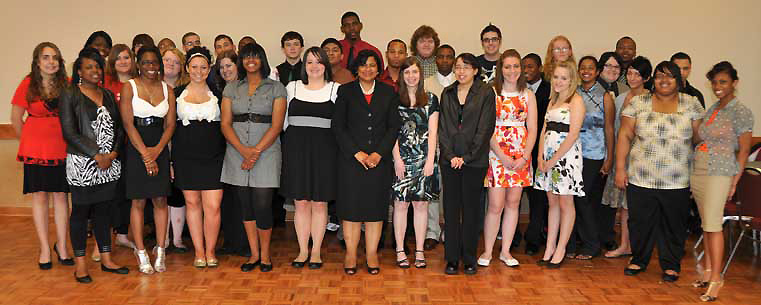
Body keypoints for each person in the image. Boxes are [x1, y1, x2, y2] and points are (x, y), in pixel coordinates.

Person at [615, 61, 704, 282]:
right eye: (659, 76)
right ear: (653, 79)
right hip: (641, 176)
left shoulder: (691, 104)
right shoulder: (638, 102)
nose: (664, 80)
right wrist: (619, 168)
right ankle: (638, 260)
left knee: (674, 224)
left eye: (670, 76)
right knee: (639, 222)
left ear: (679, 80)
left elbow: (700, 140)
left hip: (677, 179)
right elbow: (625, 135)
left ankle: (671, 265)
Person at [60, 47, 130, 283]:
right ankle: (80, 265)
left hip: (109, 163)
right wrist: (95, 154)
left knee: (104, 211)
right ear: (79, 70)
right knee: (81, 212)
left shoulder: (108, 95)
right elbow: (69, 132)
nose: (95, 71)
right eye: (89, 67)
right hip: (83, 164)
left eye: (98, 67)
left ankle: (107, 259)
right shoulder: (69, 93)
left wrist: (113, 153)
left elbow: (119, 129)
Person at [332, 49, 401, 275]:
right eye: (363, 65)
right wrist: (357, 153)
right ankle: (351, 253)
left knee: (375, 208)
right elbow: (338, 127)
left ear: (378, 68)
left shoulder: (388, 92)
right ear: (356, 68)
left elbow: (393, 127)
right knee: (350, 208)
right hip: (351, 161)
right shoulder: (345, 91)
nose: (368, 69)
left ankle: (371, 253)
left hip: (378, 161)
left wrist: (379, 153)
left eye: (372, 65)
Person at [220, 43, 286, 273]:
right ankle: (254, 254)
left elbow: (277, 125)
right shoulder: (231, 88)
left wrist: (255, 151)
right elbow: (226, 124)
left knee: (262, 205)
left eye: (255, 56)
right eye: (246, 57)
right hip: (237, 152)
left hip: (266, 153)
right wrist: (243, 150)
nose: (250, 61)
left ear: (262, 59)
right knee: (245, 207)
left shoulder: (276, 88)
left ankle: (266, 255)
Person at [691, 61, 752, 302]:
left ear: (734, 83)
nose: (718, 86)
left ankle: (717, 278)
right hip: (700, 169)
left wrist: (735, 181)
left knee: (714, 224)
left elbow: (744, 150)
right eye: (715, 82)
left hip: (721, 170)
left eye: (723, 82)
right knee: (706, 223)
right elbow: (699, 137)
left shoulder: (741, 111)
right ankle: (707, 271)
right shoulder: (713, 108)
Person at [10, 42, 73, 270]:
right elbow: (16, 119)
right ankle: (45, 249)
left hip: (62, 148)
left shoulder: (67, 84)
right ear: (37, 61)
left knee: (61, 198)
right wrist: (28, 141)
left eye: (55, 57)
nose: (51, 62)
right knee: (40, 198)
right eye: (46, 57)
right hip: (35, 150)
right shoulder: (27, 84)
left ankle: (63, 247)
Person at [281, 47, 340, 270]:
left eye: (319, 62)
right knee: (301, 203)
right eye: (309, 63)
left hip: (325, 152)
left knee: (319, 203)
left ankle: (316, 251)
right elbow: (284, 122)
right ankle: (303, 250)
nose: (314, 67)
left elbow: (340, 125)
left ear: (326, 65)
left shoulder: (336, 89)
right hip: (296, 150)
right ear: (304, 66)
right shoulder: (292, 87)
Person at [120, 45, 177, 274]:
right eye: (146, 62)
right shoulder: (129, 87)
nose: (151, 67)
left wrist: (157, 151)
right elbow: (127, 124)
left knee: (161, 200)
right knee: (138, 201)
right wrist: (145, 153)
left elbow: (170, 125)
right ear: (138, 64)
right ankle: (141, 252)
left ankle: (161, 249)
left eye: (155, 63)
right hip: (136, 147)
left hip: (160, 147)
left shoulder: (168, 89)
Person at [438, 53, 496, 275]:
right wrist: (451, 155)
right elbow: (443, 127)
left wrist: (468, 157)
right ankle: (452, 259)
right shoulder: (448, 92)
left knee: (471, 211)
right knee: (451, 211)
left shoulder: (485, 92)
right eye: (458, 67)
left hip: (475, 161)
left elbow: (485, 129)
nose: (461, 71)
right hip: (449, 160)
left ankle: (470, 258)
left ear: (475, 70)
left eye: (466, 67)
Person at [479, 49, 537, 268]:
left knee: (513, 203)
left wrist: (525, 156)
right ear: (500, 69)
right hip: (497, 154)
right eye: (507, 66)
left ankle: (505, 251)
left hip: (521, 155)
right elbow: (487, 128)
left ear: (520, 69)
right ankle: (487, 251)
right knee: (495, 205)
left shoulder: (528, 94)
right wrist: (501, 156)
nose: (512, 71)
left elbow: (532, 129)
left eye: (516, 66)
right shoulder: (492, 93)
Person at [171, 46, 225, 268]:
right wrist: (171, 161)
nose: (199, 71)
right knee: (192, 204)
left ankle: (211, 251)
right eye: (194, 67)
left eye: (203, 67)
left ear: (209, 68)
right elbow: (169, 130)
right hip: (185, 157)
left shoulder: (219, 95)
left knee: (213, 206)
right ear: (187, 68)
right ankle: (199, 252)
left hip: (214, 157)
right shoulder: (176, 95)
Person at [534, 60, 585, 268]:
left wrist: (554, 160)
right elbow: (544, 130)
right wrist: (539, 158)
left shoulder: (576, 101)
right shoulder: (551, 101)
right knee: (552, 202)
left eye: (563, 78)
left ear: (572, 80)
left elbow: (573, 134)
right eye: (556, 77)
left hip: (566, 158)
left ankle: (562, 248)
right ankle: (550, 247)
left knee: (566, 203)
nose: (558, 81)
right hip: (546, 158)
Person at [391, 57, 440, 269]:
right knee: (401, 206)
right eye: (407, 72)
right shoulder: (393, 100)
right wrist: (397, 160)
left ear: (421, 75)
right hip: (401, 159)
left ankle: (419, 251)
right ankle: (400, 250)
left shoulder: (431, 99)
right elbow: (391, 132)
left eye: (414, 72)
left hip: (424, 159)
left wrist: (430, 162)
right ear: (402, 75)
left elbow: (433, 133)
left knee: (421, 205)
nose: (411, 76)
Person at [602, 56, 652, 259]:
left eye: (637, 74)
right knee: (624, 206)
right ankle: (625, 244)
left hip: (640, 158)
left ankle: (639, 248)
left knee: (638, 207)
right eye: (629, 73)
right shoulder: (622, 97)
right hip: (621, 156)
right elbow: (614, 128)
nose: (632, 77)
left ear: (646, 77)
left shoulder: (650, 100)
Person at [567, 56, 615, 260]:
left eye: (590, 68)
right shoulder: (572, 92)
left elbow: (610, 128)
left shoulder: (604, 95)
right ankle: (572, 243)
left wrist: (609, 157)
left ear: (597, 72)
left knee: (584, 198)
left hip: (595, 153)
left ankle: (592, 244)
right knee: (571, 198)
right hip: (572, 151)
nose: (586, 71)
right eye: (583, 68)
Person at [421, 44, 455, 250]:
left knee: (451, 191)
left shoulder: (461, 82)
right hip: (432, 145)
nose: (444, 60)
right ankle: (431, 231)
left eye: (448, 57)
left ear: (453, 59)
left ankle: (450, 230)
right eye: (440, 57)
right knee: (432, 190)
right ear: (436, 60)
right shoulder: (425, 84)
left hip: (454, 145)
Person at [521, 52, 551, 256]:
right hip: (518, 150)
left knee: (537, 197)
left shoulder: (549, 89)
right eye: (524, 66)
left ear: (540, 68)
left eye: (531, 66)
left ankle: (534, 237)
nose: (526, 70)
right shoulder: (517, 90)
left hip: (540, 150)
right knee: (512, 198)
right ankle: (512, 236)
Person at [161, 47, 189, 253]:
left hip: (180, 147)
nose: (170, 64)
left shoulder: (186, 91)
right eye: (166, 60)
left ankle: (177, 239)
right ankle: (162, 239)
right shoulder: (151, 87)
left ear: (182, 67)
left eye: (175, 61)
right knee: (159, 195)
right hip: (157, 147)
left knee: (178, 193)